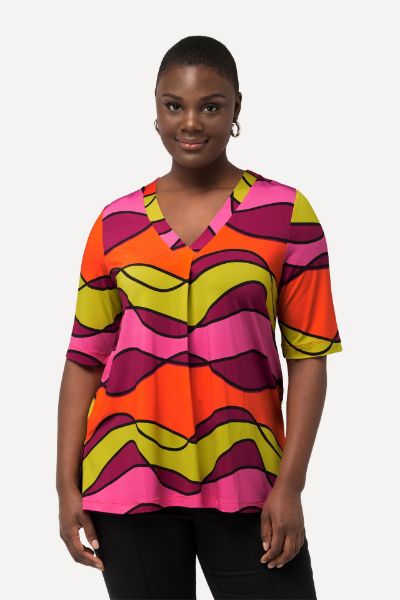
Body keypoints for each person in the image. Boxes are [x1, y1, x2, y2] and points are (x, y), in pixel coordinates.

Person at [57, 35, 343, 600]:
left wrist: (291, 485)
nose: (190, 123)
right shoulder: (114, 223)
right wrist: (66, 486)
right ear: (156, 110)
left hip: (248, 481)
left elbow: (309, 355)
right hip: (127, 477)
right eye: (175, 105)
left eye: (210, 106)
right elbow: (85, 358)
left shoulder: (286, 213)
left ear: (237, 109)